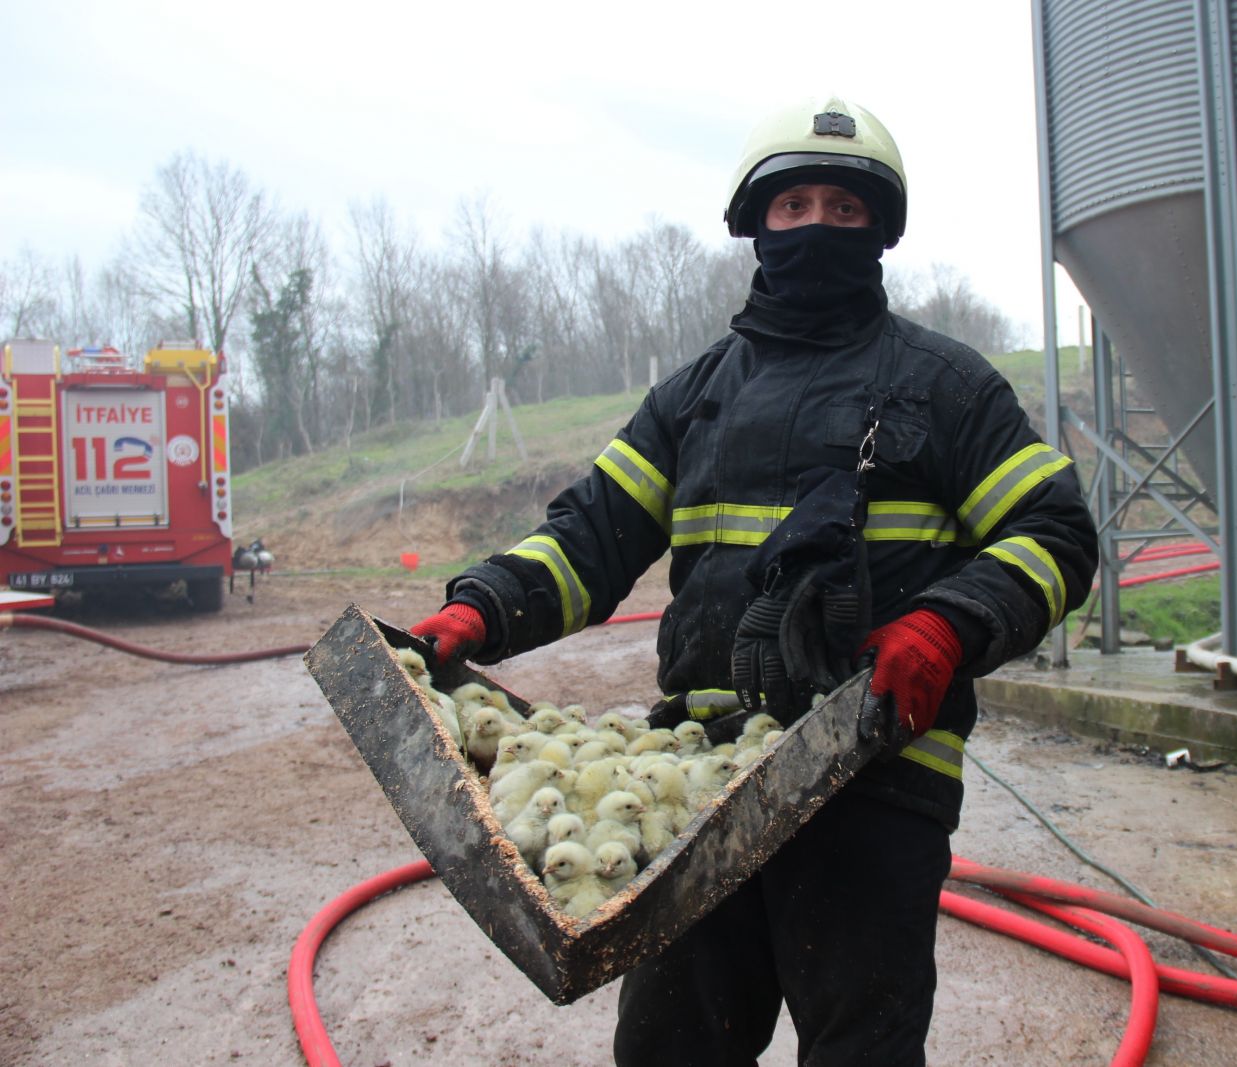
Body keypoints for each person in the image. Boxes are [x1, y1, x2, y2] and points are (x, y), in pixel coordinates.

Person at [412, 96, 1097, 1066]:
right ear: (756, 224)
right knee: (669, 1048)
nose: (817, 224)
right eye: (795, 205)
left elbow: (1054, 531)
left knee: (861, 1046)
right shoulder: (694, 396)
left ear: (879, 231)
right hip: (694, 784)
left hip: (874, 770)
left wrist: (947, 624)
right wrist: (478, 605)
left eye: (844, 208)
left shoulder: (947, 388)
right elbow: (591, 537)